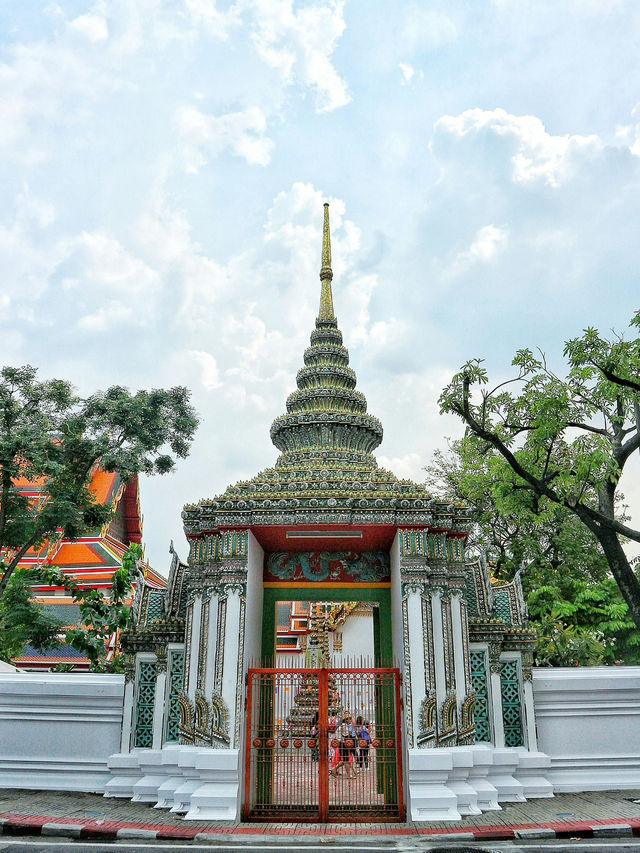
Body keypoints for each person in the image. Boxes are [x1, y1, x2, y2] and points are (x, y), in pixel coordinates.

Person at [331, 714, 354, 779]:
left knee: (345, 760)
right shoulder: (343, 726)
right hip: (343, 744)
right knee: (346, 760)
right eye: (350, 719)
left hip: (343, 743)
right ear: (347, 720)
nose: (351, 720)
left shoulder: (345, 726)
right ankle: (349, 775)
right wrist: (350, 733)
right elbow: (345, 735)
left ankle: (334, 769)